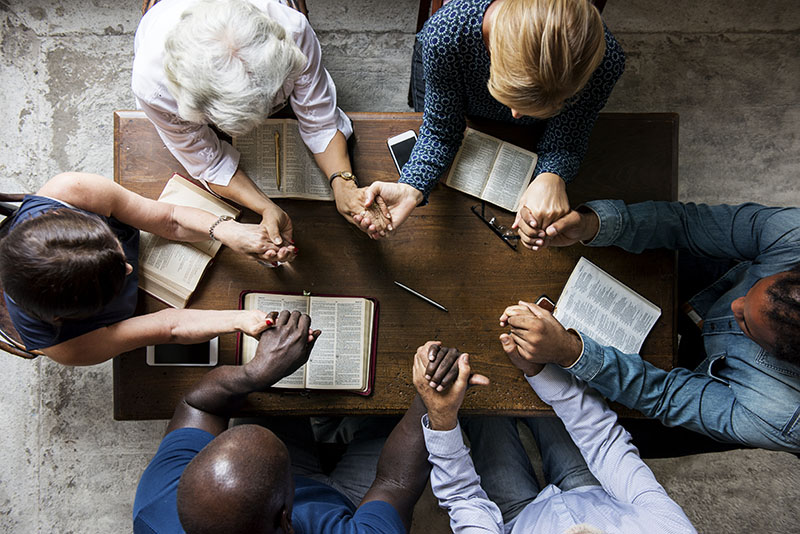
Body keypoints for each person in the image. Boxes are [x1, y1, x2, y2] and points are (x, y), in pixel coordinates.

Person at [500, 200, 800, 452]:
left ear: (777, 353)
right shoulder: (794, 236)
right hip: (716, 284)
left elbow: (664, 395)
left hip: (734, 390)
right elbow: (687, 223)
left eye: (746, 322)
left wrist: (570, 351)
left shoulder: (780, 416)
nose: (735, 305)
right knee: (623, 253)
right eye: (752, 290)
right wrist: (592, 224)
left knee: (615, 434)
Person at [133, 310, 431, 534]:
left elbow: (196, 404)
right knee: (401, 407)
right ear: (287, 520)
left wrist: (256, 373)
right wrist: (431, 396)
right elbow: (395, 483)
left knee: (264, 398)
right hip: (353, 502)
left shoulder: (158, 507)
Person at [356, 0, 624, 243]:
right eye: (511, 95)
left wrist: (552, 175)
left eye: (546, 105)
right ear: (492, 49)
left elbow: (568, 135)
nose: (516, 116)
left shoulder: (605, 61)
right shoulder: (447, 34)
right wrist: (411, 186)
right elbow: (441, 130)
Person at [132, 0, 390, 248]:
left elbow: (320, 119)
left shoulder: (292, 29)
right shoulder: (152, 86)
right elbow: (209, 162)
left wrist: (343, 184)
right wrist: (266, 207)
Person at [413, 340, 697, 533]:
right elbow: (604, 442)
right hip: (591, 491)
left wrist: (442, 417)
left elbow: (464, 497)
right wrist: (538, 369)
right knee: (545, 384)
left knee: (481, 399)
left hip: (516, 518)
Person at [0, 172, 281, 365]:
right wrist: (239, 320)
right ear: (65, 316)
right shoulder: (67, 347)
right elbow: (169, 327)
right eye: (117, 276)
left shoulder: (69, 192)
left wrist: (227, 230)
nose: (129, 269)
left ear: (67, 216)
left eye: (116, 251)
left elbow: (169, 218)